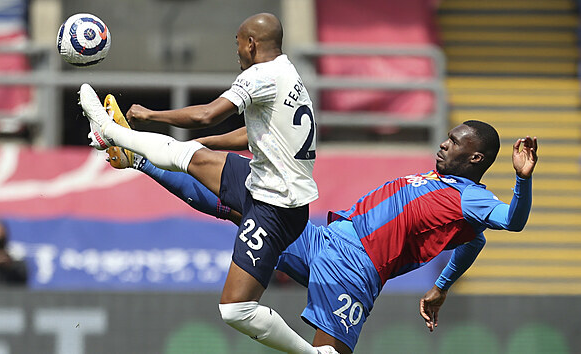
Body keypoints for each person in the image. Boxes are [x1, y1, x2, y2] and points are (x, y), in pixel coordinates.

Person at [102, 96, 538, 354]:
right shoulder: (452, 192)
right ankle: (137, 159)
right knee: (240, 206)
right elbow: (473, 240)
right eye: (447, 137)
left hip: (355, 271)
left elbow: (511, 222)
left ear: (476, 158)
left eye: (455, 142)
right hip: (325, 238)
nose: (443, 144)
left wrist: (521, 180)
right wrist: (441, 285)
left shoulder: (474, 197)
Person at [80, 12, 329, 354]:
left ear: (252, 44)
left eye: (238, 43)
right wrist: (209, 144)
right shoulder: (288, 72)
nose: (237, 51)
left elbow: (206, 115)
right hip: (270, 184)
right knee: (192, 160)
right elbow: (258, 134)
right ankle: (128, 150)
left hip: (276, 209)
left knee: (235, 309)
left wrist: (152, 115)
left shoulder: (260, 75)